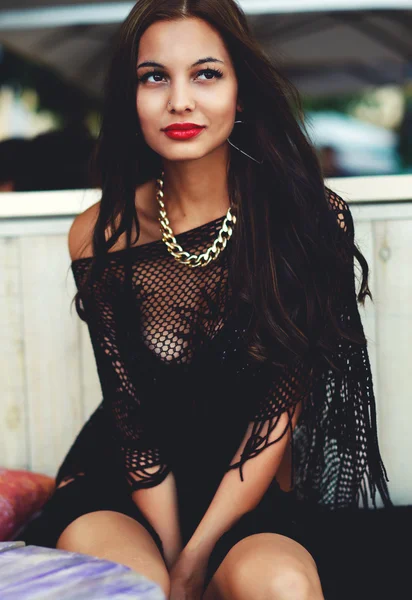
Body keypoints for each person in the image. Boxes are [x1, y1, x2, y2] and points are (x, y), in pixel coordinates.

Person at [18, 1, 392, 599]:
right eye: (154, 77)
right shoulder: (101, 233)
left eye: (206, 73)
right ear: (131, 98)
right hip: (125, 487)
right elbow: (130, 417)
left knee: (286, 587)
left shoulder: (309, 220)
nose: (180, 101)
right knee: (133, 588)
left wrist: (194, 563)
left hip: (249, 488)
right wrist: (168, 562)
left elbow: (275, 416)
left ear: (241, 94)